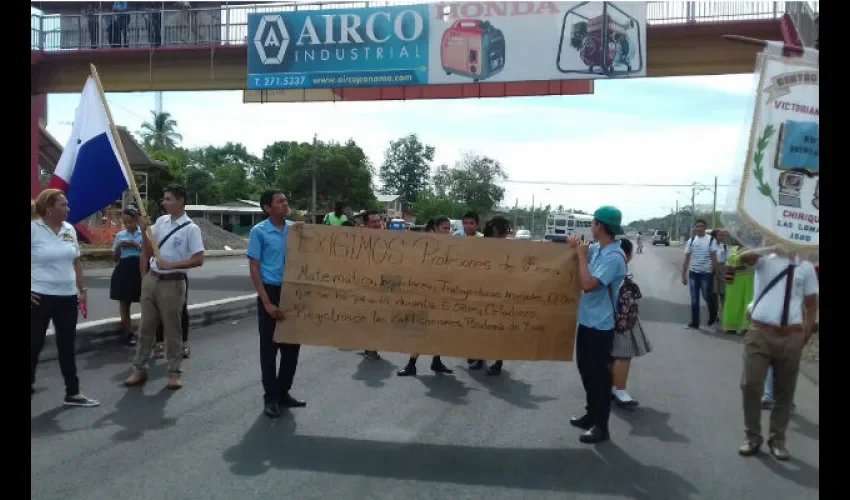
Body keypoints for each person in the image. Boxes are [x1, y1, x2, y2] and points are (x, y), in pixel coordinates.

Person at [737, 246, 818, 460]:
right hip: (760, 332)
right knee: (750, 384)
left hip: (791, 335)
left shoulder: (807, 266)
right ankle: (752, 436)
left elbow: (811, 305)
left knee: (785, 391)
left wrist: (805, 336)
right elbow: (743, 257)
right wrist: (773, 246)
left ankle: (778, 439)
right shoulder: (765, 259)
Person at [124, 185, 205, 391]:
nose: (164, 202)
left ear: (180, 201)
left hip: (173, 282)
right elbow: (148, 249)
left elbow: (198, 259)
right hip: (153, 279)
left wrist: (172, 265)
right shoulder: (160, 222)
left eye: (168, 199)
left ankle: (174, 372)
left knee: (172, 329)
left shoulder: (191, 228)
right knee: (146, 328)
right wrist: (144, 231)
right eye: (164, 198)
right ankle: (139, 369)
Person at [31, 189, 99, 407]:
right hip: (39, 296)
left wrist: (83, 289)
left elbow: (76, 261)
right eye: (63, 205)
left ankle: (73, 392)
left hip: (67, 296)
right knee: (34, 344)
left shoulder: (69, 229)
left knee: (67, 346)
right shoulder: (33, 229)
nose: (68, 209)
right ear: (49, 208)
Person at [568, 206, 627, 444]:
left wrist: (582, 256)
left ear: (599, 226)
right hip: (587, 321)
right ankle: (591, 415)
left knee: (599, 379)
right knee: (586, 372)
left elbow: (589, 284)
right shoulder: (598, 250)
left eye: (592, 223)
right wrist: (576, 248)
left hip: (602, 327)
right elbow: (578, 260)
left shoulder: (614, 257)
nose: (591, 227)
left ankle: (601, 426)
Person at [248, 190, 306, 418]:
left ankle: (283, 393)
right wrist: (267, 302)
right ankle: (270, 397)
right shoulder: (259, 232)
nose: (285, 204)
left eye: (285, 200)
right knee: (269, 349)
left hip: (292, 292)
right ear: (267, 208)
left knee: (292, 348)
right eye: (279, 201)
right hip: (270, 291)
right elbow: (254, 269)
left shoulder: (296, 230)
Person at [397, 217, 455, 377]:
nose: (447, 231)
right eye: (444, 228)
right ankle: (411, 364)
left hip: (443, 296)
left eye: (449, 228)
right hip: (426, 295)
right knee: (423, 331)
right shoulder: (426, 245)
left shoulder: (451, 246)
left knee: (439, 331)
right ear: (435, 228)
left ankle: (436, 361)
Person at [610, 238, 652, 408]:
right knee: (623, 354)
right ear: (628, 254)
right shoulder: (619, 267)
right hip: (623, 318)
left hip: (606, 316)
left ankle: (610, 389)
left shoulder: (605, 261)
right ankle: (620, 392)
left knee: (610, 355)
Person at [476, 216, 512, 376]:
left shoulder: (510, 248)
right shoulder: (484, 246)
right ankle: (480, 357)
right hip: (484, 293)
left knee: (498, 331)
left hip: (501, 295)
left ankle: (498, 362)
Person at [110, 206, 143, 347]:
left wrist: (136, 246)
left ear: (136, 219)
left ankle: (147, 332)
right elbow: (115, 258)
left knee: (146, 301)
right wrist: (119, 247)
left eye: (130, 221)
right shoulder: (120, 236)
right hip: (124, 269)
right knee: (124, 302)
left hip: (140, 269)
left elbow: (150, 253)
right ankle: (129, 332)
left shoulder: (144, 234)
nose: (128, 225)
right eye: (125, 222)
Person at [681, 220, 719, 329]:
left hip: (706, 273)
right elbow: (686, 258)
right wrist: (683, 274)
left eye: (701, 226)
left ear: (705, 227)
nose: (699, 228)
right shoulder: (691, 240)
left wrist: (716, 273)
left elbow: (714, 258)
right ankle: (695, 322)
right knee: (694, 298)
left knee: (707, 295)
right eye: (697, 226)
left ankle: (713, 313)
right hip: (694, 273)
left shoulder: (711, 240)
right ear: (694, 228)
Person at [358, 210, 384, 360]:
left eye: (378, 221)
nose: (377, 224)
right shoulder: (360, 239)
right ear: (366, 224)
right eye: (373, 221)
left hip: (382, 283)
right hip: (365, 284)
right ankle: (370, 347)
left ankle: (370, 345)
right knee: (370, 316)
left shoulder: (387, 238)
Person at [722, 241, 754, 335]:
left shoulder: (750, 249)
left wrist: (735, 267)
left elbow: (750, 264)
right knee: (732, 301)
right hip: (733, 279)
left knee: (746, 301)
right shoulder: (733, 249)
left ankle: (745, 327)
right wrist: (728, 265)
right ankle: (731, 325)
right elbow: (727, 261)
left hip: (747, 279)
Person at [713, 230, 730, 322]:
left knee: (723, 293)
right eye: (720, 235)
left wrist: (725, 268)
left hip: (723, 268)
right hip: (713, 268)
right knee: (714, 293)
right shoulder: (711, 246)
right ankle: (715, 314)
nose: (722, 237)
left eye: (723, 235)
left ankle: (725, 313)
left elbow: (728, 259)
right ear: (715, 236)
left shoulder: (725, 246)